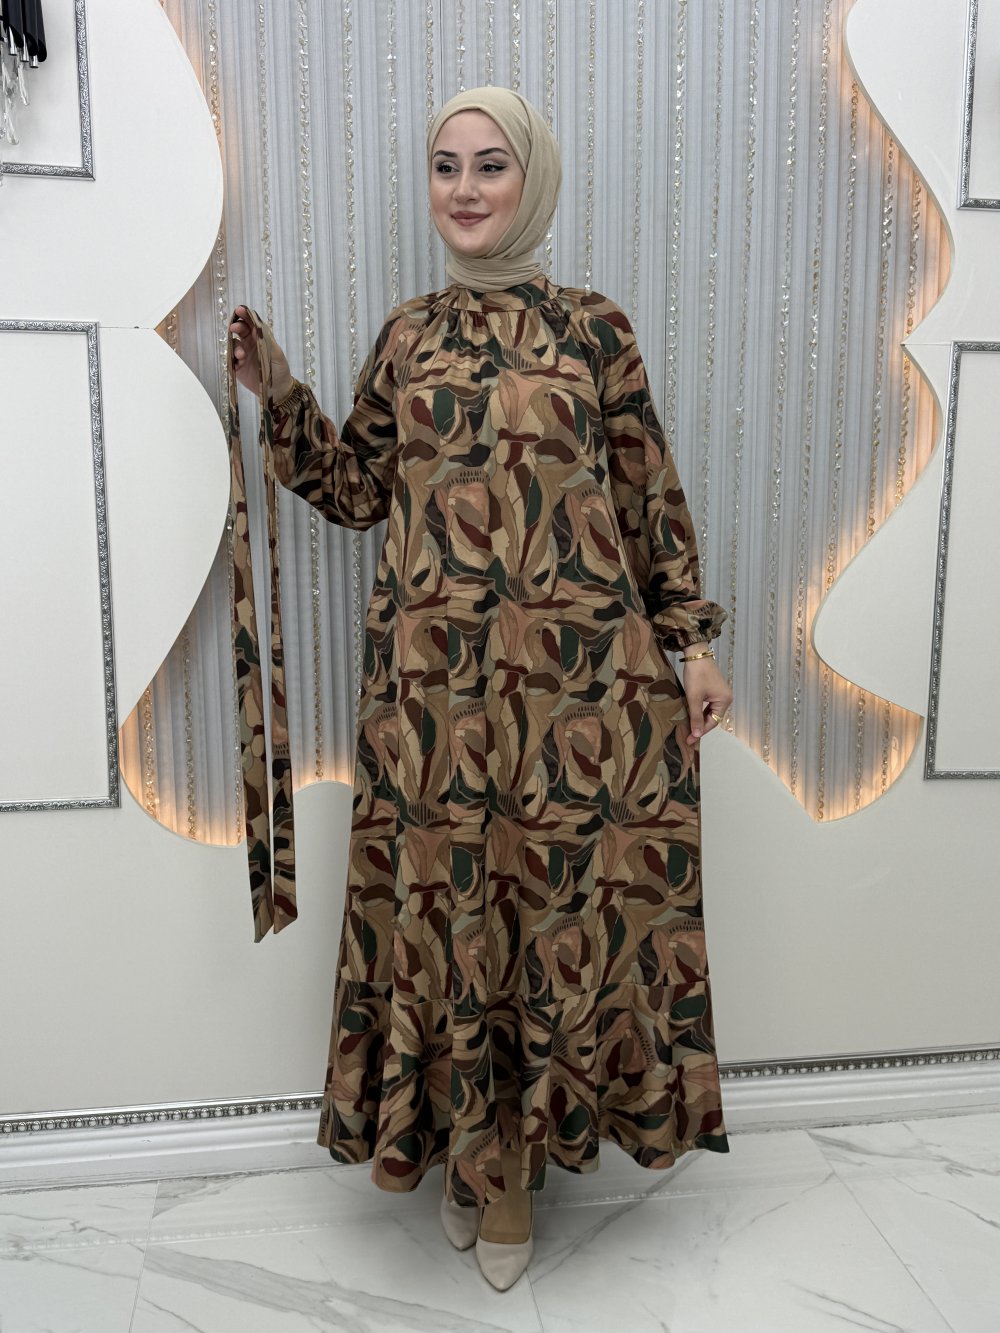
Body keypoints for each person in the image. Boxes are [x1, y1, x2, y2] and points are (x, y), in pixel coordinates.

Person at [230, 85, 733, 1293]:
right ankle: (468, 1152)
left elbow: (645, 493)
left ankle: (508, 1174)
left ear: (532, 179)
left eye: (490, 164)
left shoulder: (594, 330)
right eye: (445, 165)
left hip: (578, 696)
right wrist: (281, 394)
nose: (464, 188)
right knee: (447, 920)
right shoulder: (407, 338)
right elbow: (359, 491)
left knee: (553, 918)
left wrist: (694, 642)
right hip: (433, 701)